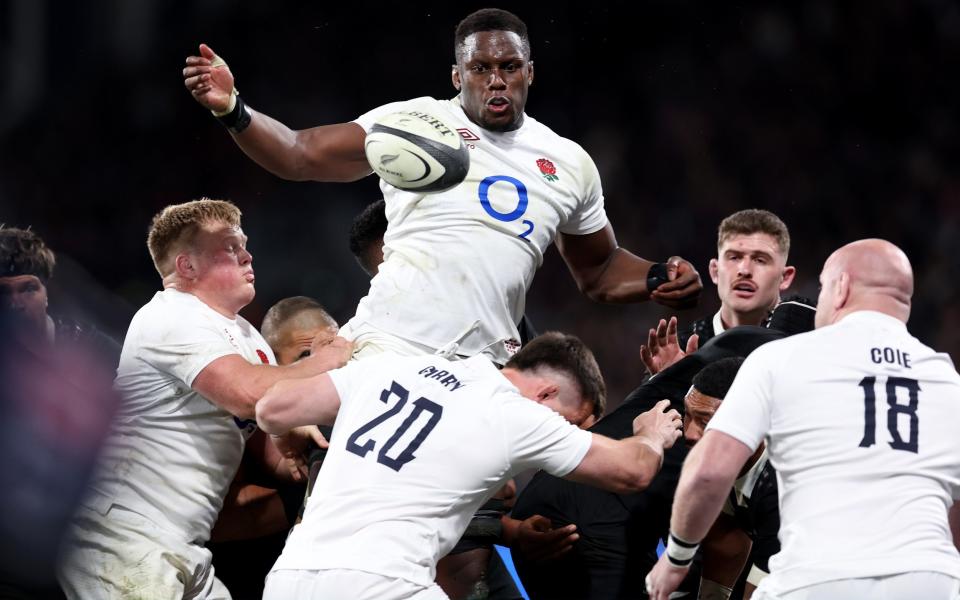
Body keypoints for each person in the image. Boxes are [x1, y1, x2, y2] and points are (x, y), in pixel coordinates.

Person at [184, 8, 702, 365]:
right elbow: (298, 154)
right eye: (480, 68)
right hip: (391, 341)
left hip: (486, 365)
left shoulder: (568, 162)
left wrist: (658, 276)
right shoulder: (413, 122)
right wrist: (234, 109)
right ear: (457, 76)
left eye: (508, 67)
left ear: (530, 73)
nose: (495, 80)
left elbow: (600, 270)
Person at [57, 199, 353, 600]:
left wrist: (306, 447)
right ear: (187, 266)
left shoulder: (249, 339)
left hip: (182, 543)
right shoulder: (170, 317)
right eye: (230, 247)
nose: (247, 254)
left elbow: (260, 438)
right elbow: (249, 393)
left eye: (244, 243)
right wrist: (330, 359)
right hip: (123, 535)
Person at [254, 332, 683, 600]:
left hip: (290, 577)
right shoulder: (515, 413)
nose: (562, 434)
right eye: (569, 423)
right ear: (547, 394)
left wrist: (289, 439)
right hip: (385, 583)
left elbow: (272, 408)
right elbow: (633, 471)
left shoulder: (389, 366)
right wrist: (651, 433)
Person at [646, 239, 960, 600]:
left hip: (818, 578)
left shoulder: (781, 359)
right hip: (930, 581)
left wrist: (677, 558)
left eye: (823, 288)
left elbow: (709, 472)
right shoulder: (947, 381)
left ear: (840, 288)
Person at [509, 299, 814, 599]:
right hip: (607, 520)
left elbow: (724, 535)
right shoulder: (785, 379)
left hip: (544, 503)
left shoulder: (727, 347)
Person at [209, 295, 340, 599]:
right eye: (306, 356)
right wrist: (307, 496)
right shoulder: (239, 417)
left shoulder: (350, 395)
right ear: (272, 365)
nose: (322, 366)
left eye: (329, 351)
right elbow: (216, 520)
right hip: (246, 576)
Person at [641, 209, 795, 375]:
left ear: (785, 278)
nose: (744, 270)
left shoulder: (807, 342)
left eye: (760, 260)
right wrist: (668, 385)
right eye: (734, 257)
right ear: (714, 271)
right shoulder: (678, 348)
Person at [681, 357, 779, 600]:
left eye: (705, 421)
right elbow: (726, 539)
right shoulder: (725, 463)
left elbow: (770, 589)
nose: (689, 433)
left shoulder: (783, 481)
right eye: (687, 415)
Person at [0, 226, 120, 365]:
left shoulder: (93, 350)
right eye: (3, 292)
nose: (15, 303)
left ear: (47, 294)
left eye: (28, 289)